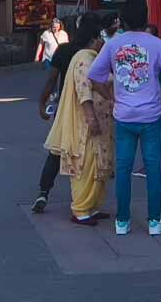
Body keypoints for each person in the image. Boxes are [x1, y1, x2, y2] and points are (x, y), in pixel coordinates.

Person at [87, 0, 161, 236]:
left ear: (122, 21)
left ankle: (122, 221)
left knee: (123, 168)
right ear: (146, 18)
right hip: (151, 116)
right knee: (152, 168)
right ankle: (154, 221)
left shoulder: (112, 45)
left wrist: (110, 96)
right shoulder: (157, 44)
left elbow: (94, 76)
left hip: (123, 115)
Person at [42, 13, 112, 225]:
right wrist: (91, 117)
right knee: (86, 165)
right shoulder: (83, 59)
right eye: (103, 37)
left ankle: (92, 207)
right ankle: (81, 210)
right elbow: (84, 91)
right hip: (87, 127)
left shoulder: (91, 58)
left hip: (100, 123)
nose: (105, 42)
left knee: (99, 165)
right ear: (95, 37)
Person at [34, 12, 96, 214]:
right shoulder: (96, 52)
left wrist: (42, 102)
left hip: (65, 106)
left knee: (57, 149)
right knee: (86, 153)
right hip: (91, 106)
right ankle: (83, 199)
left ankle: (44, 191)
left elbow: (52, 79)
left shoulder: (64, 50)